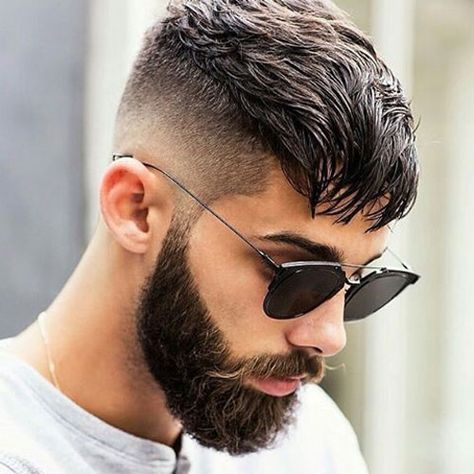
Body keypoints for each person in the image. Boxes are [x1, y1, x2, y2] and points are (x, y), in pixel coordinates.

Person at [0, 0, 420, 473]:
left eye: (358, 283)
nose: (329, 335)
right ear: (135, 209)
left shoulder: (310, 445)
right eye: (297, 275)